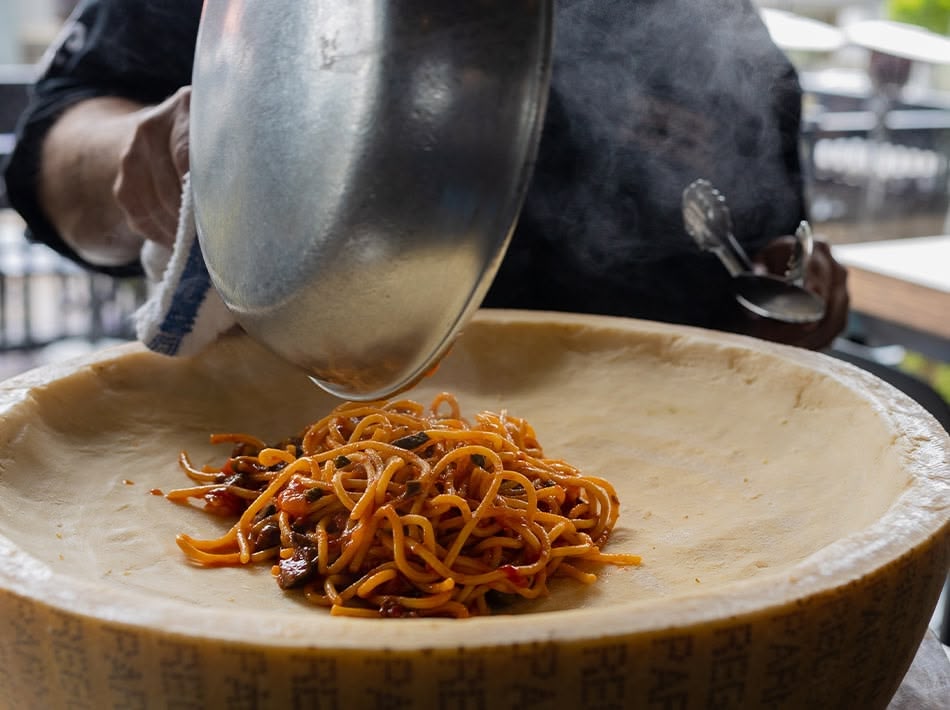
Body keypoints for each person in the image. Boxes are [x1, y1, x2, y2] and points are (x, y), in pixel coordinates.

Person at [2, 0, 848, 351]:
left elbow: (764, 254)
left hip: (657, 481)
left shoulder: (717, 32)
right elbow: (50, 147)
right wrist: (140, 155)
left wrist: (786, 296)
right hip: (291, 443)